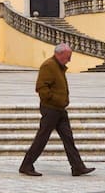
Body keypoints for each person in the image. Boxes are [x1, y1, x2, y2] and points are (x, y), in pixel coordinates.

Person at [18, 43, 94, 177]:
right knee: (42, 138)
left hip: (60, 109)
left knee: (68, 138)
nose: (69, 60)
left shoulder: (58, 66)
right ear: (59, 54)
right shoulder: (49, 65)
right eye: (68, 57)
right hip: (51, 109)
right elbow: (41, 87)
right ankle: (26, 165)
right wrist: (53, 100)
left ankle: (77, 167)